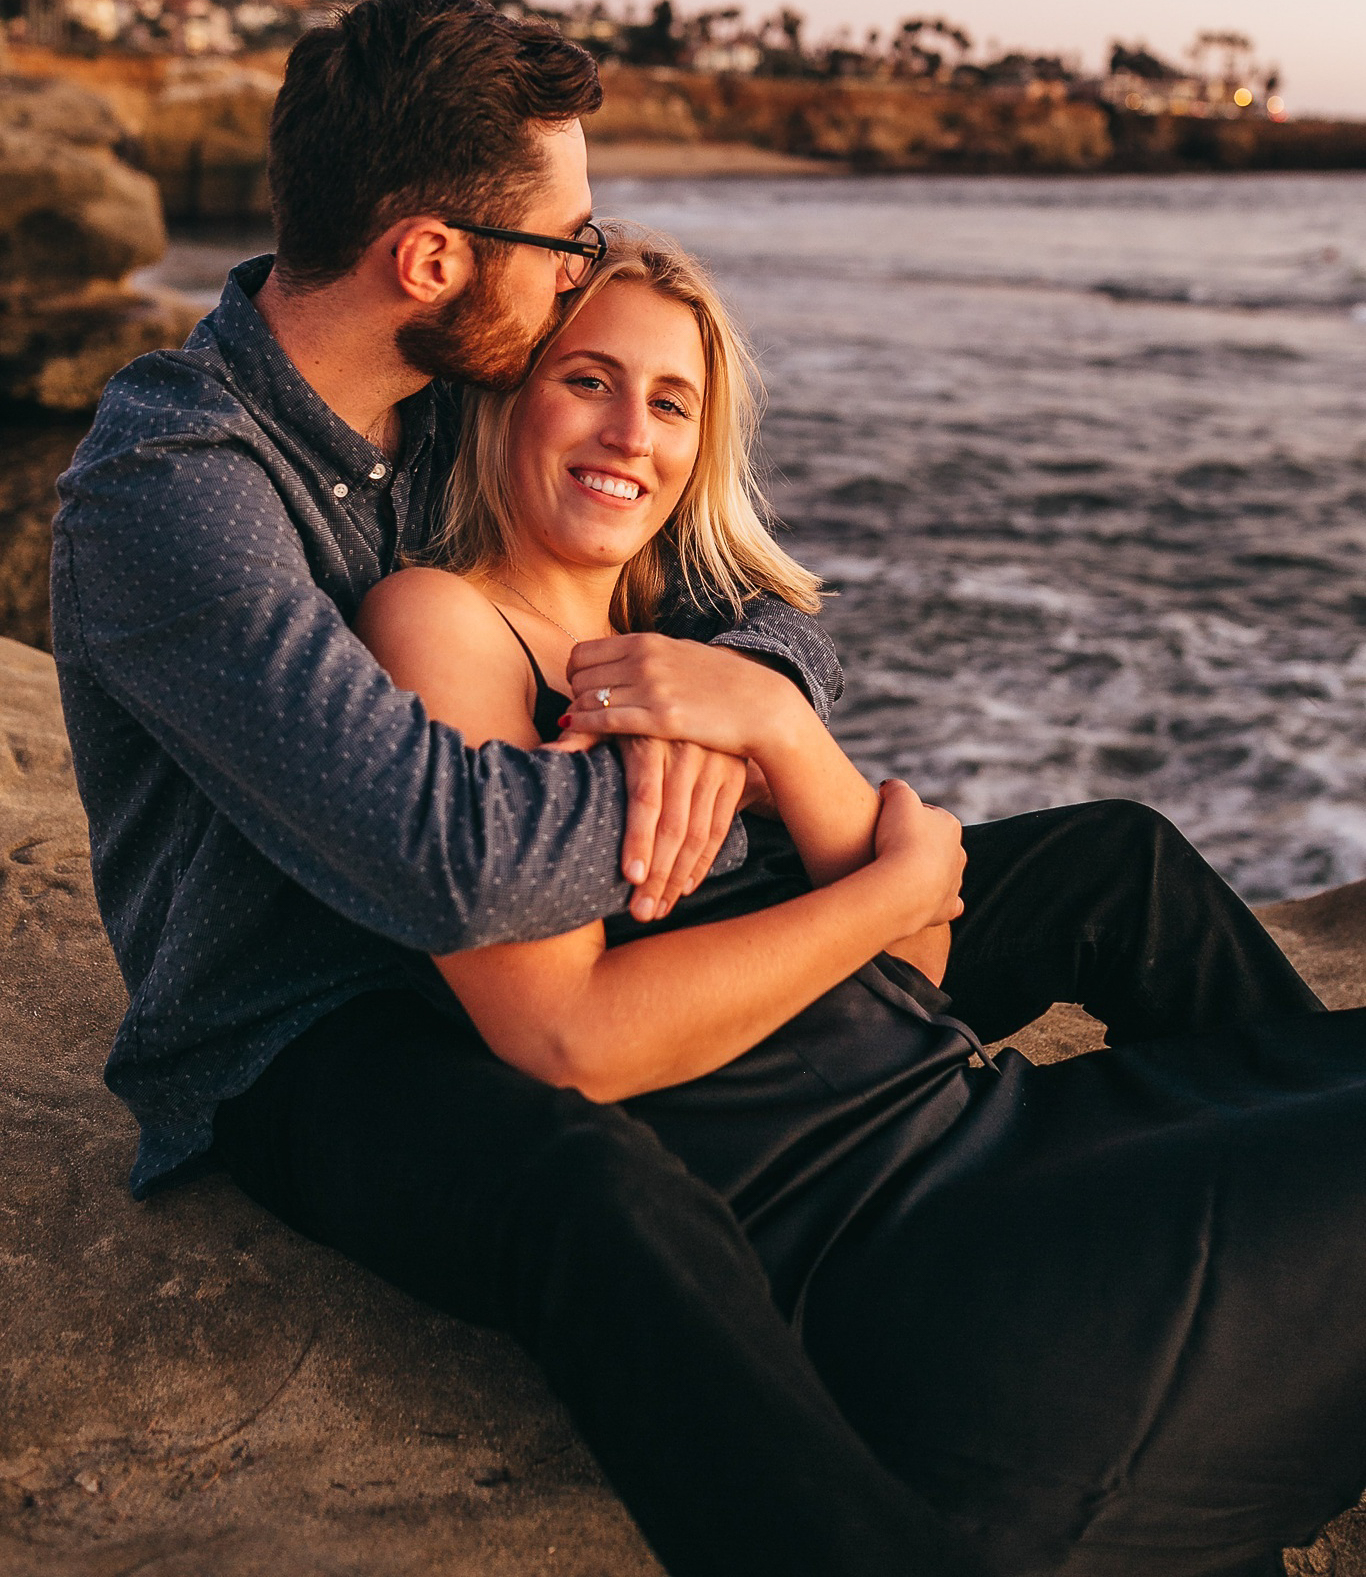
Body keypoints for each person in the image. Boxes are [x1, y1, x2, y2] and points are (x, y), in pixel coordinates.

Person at [351, 222, 1366, 1577]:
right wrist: (892, 873)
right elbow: (575, 1039)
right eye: (587, 379)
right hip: (909, 1260)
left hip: (987, 1128)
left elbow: (927, 960)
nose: (627, 434)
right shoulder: (439, 622)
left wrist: (778, 729)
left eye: (669, 403)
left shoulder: (700, 642)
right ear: (507, 395)